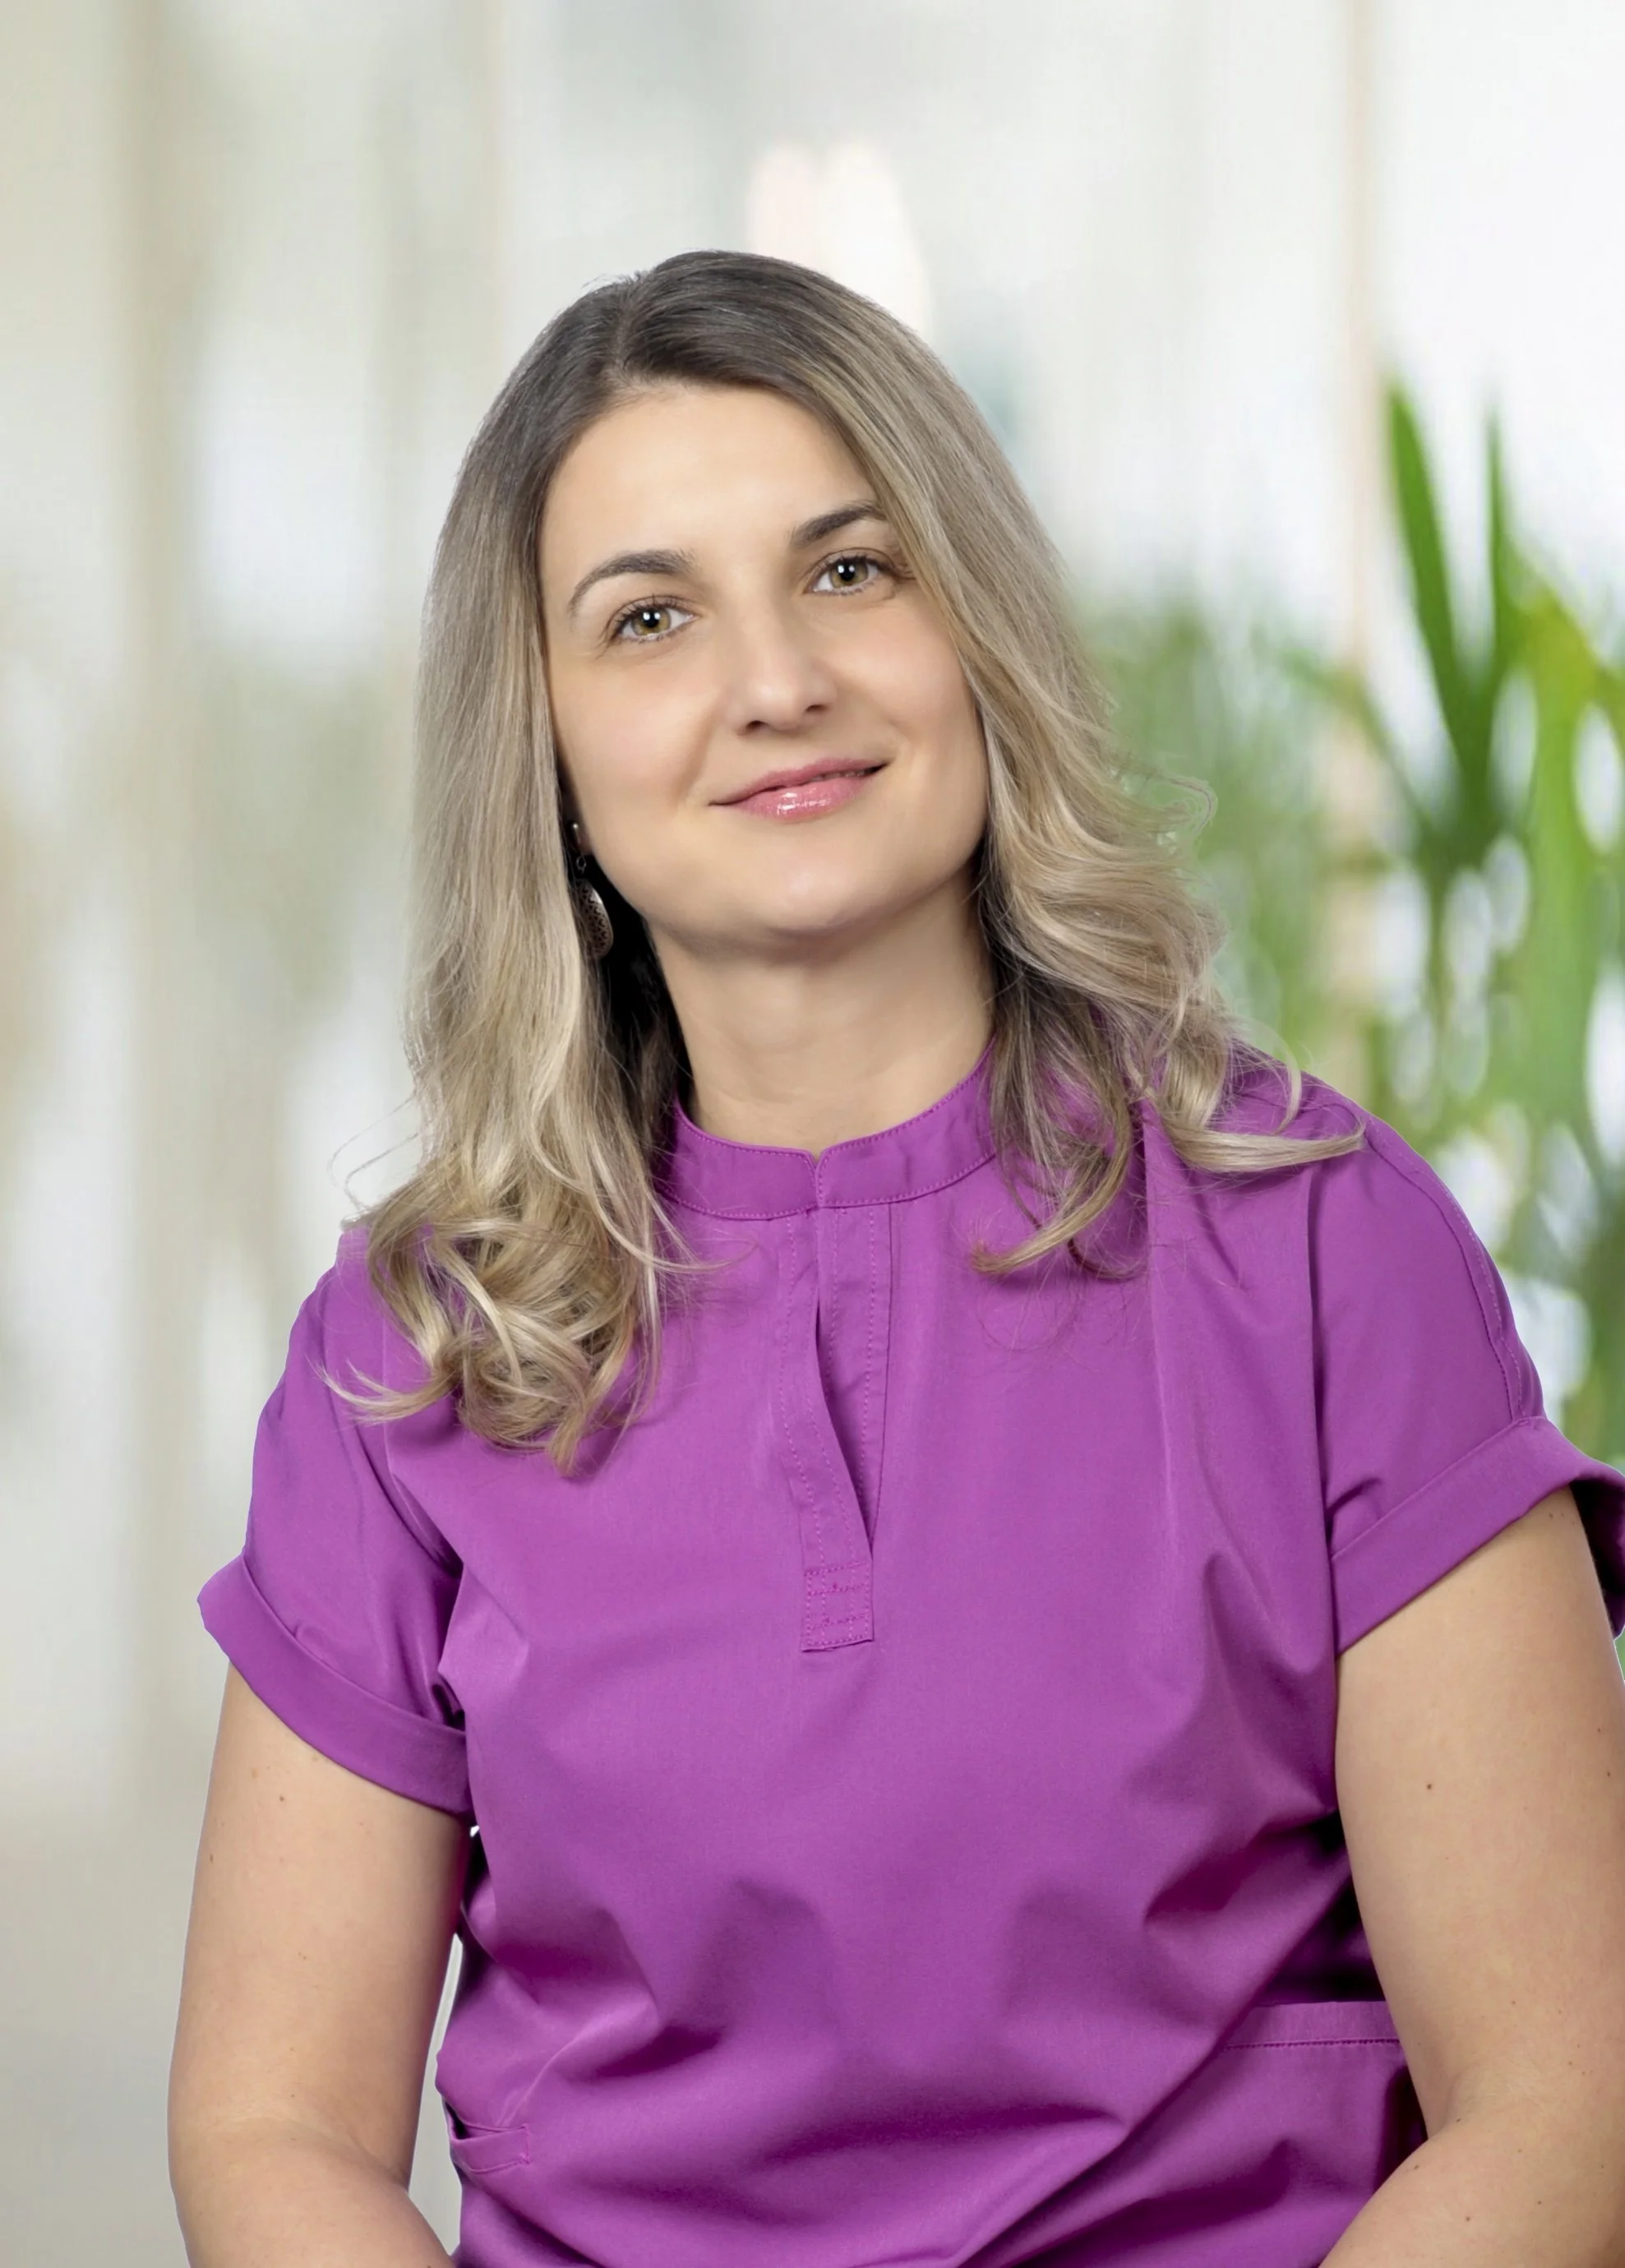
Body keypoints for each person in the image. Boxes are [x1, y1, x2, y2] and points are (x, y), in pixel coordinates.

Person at [169, 250, 1625, 2268]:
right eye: (651, 615)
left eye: (851, 570)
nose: (777, 678)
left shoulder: (1324, 1249)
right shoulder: (413, 1353)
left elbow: (1566, 2092)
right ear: (552, 753)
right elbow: (275, 2128)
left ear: (975, 628)